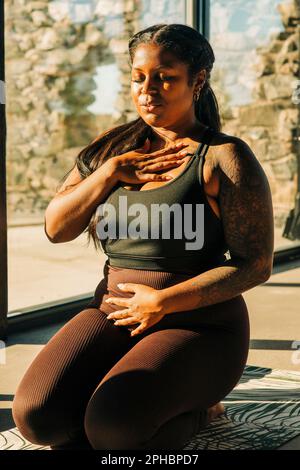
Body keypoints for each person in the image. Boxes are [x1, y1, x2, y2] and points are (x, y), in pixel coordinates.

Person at [12, 23, 274, 450]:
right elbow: (57, 229)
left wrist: (163, 301)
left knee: (114, 430)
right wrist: (110, 173)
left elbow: (256, 264)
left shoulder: (223, 157)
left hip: (200, 326)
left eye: (165, 77)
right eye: (139, 77)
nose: (148, 89)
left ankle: (201, 409)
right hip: (115, 314)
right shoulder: (110, 150)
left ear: (198, 80)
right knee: (39, 418)